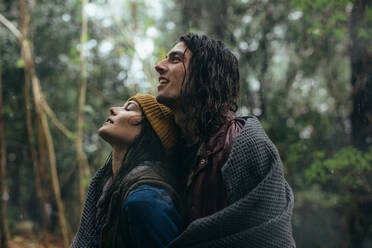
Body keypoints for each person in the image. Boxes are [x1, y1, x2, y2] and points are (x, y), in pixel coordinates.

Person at [155, 33, 296, 247]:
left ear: (204, 73)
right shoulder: (169, 148)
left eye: (175, 59)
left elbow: (269, 235)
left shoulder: (243, 145)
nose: (159, 66)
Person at [70, 94, 183, 248]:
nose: (113, 110)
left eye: (128, 108)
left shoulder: (146, 199)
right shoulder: (106, 187)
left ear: (149, 127)